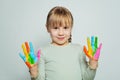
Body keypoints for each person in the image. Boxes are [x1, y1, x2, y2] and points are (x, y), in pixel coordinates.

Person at [26, 6, 100, 80]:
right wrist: (34, 72)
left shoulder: (79, 50)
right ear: (47, 28)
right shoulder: (42, 52)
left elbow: (87, 78)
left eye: (65, 28)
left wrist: (93, 64)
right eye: (55, 28)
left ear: (71, 28)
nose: (61, 33)